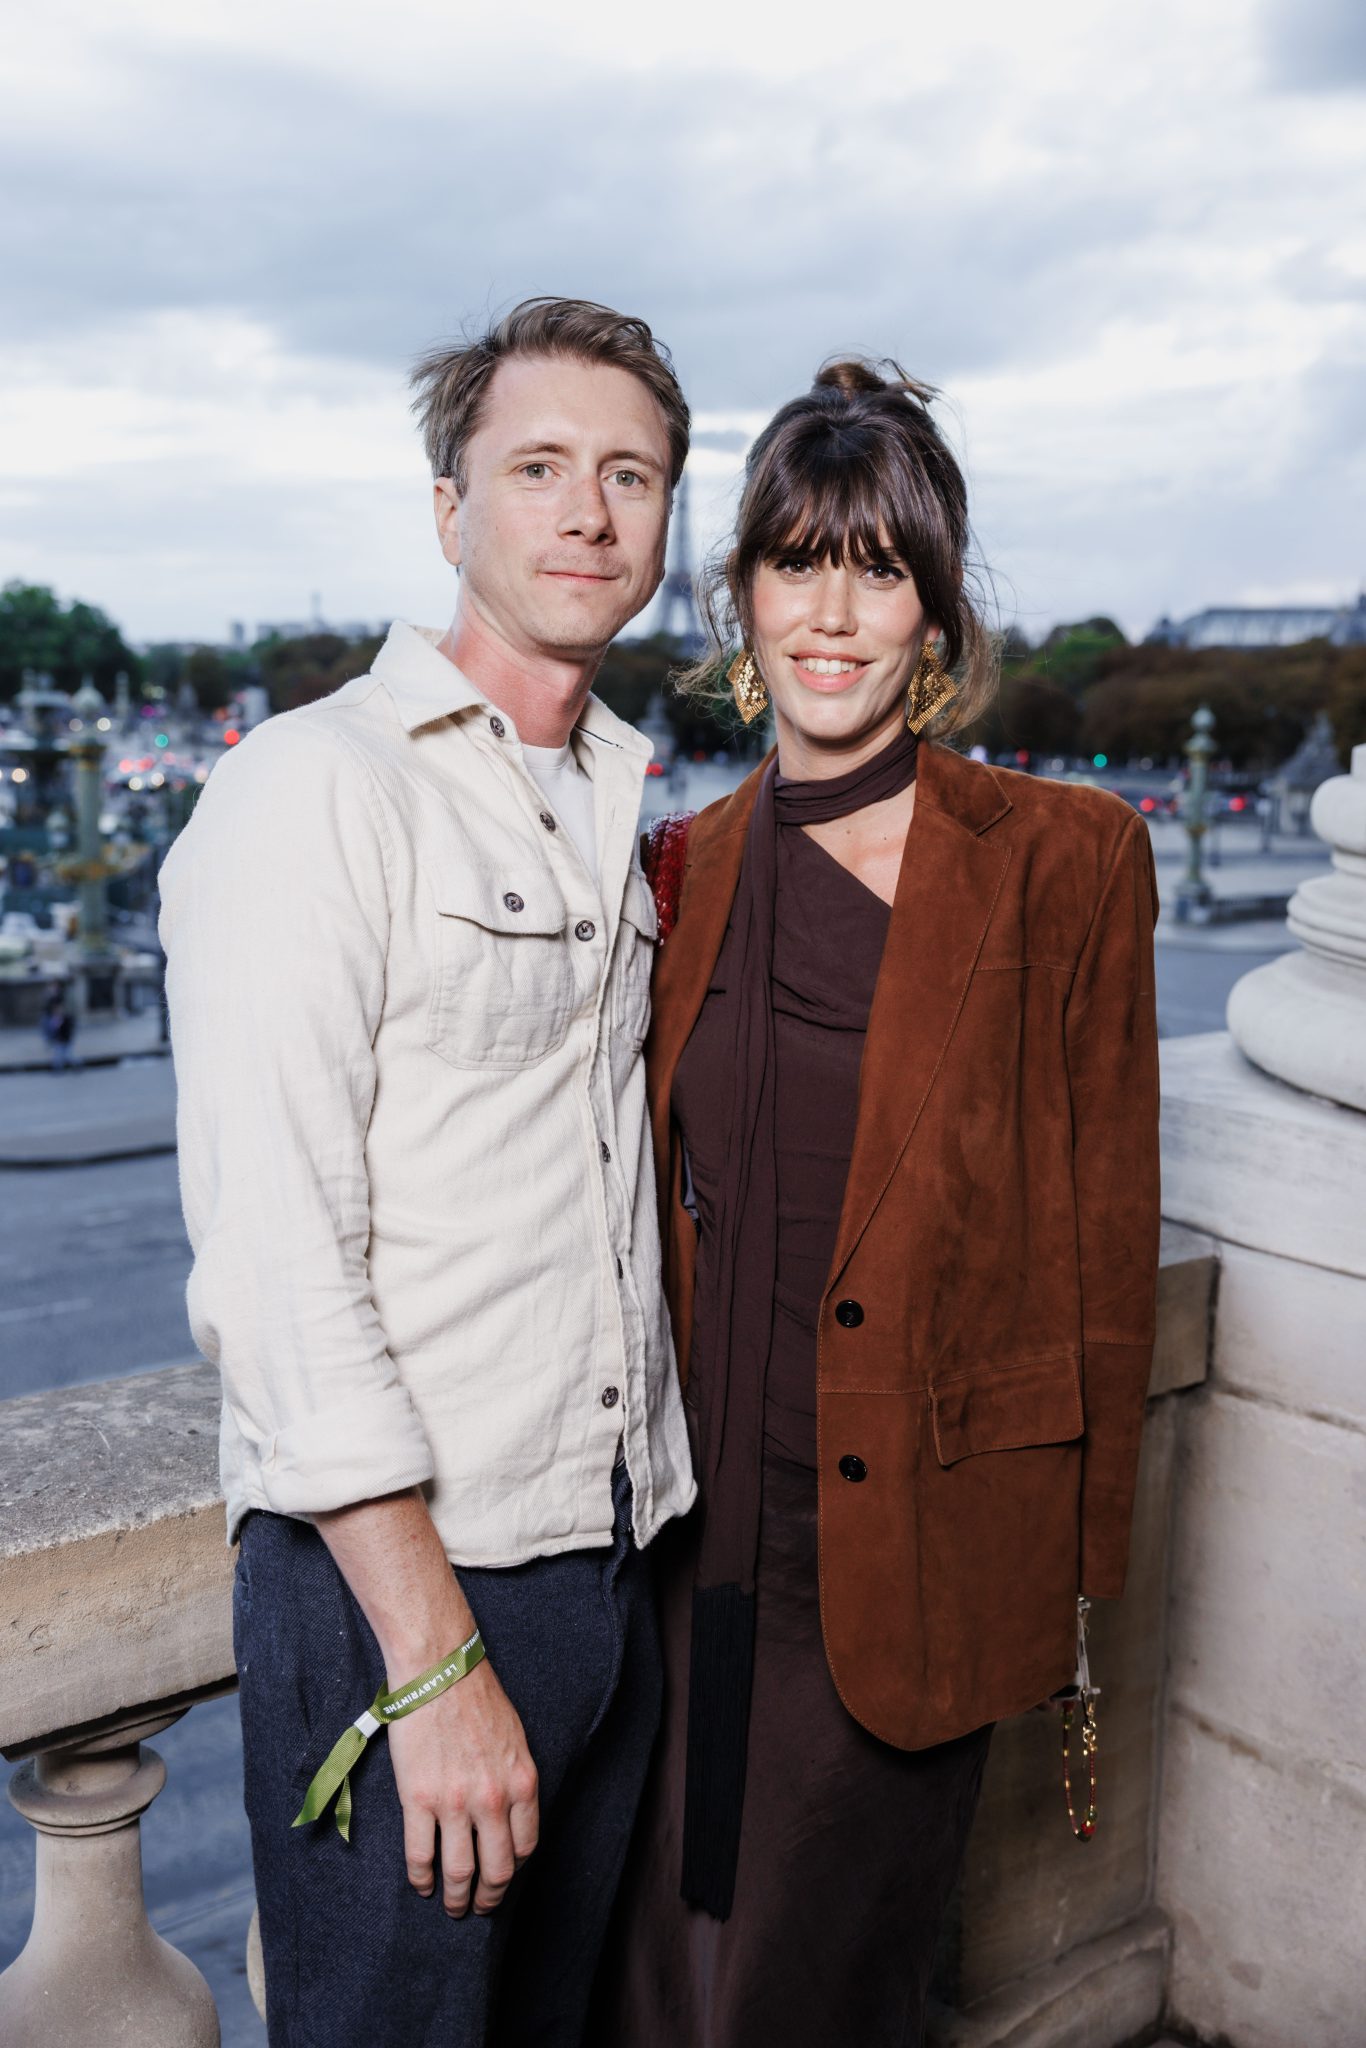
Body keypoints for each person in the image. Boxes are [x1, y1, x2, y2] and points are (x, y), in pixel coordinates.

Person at [598, 359, 1161, 2047]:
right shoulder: (682, 866)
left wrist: (1071, 1565)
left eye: (878, 566)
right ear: (740, 599)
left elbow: (1104, 1223)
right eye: (795, 561)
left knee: (808, 1986)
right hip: (698, 1546)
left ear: (934, 612)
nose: (831, 612)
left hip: (913, 1538)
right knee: (665, 1977)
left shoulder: (1068, 862)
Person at [159, 297, 697, 2047]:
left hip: (605, 1564)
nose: (588, 513)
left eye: (631, 474)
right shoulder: (315, 790)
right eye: (536, 467)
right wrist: (435, 1654)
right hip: (413, 1596)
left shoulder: (612, 800)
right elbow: (276, 1264)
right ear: (448, 508)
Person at [39, 981, 76, 1070]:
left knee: (66, 1054)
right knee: (61, 1053)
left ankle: (67, 1066)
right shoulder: (49, 997)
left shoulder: (63, 1016)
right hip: (53, 1022)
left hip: (63, 1038)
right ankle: (58, 1067)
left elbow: (66, 1029)